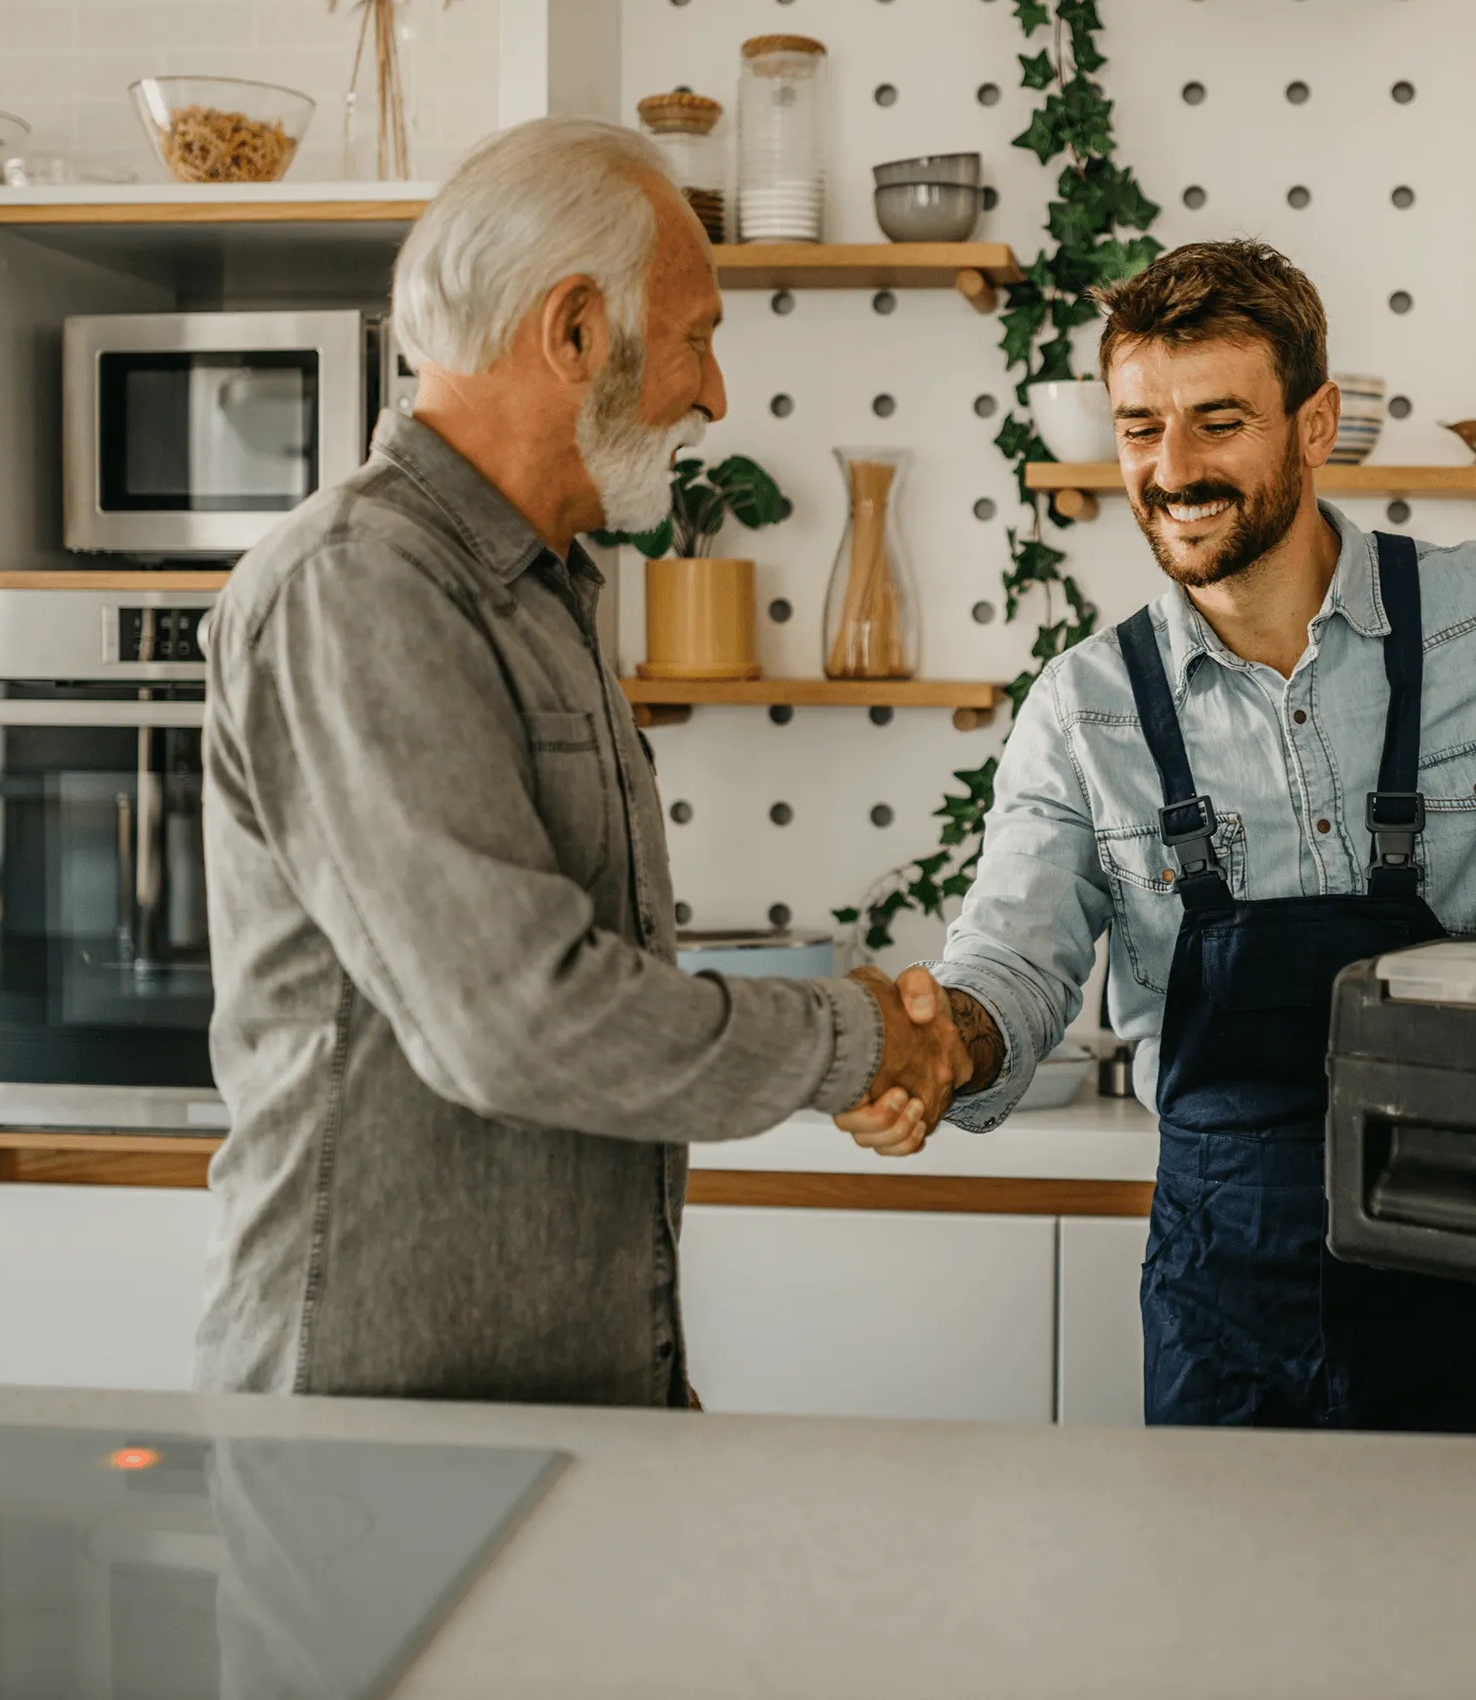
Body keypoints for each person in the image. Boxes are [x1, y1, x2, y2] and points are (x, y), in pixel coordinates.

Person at [839, 240, 1476, 1434]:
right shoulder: (1084, 710)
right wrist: (947, 1049)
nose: (1173, 469)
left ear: (1315, 424)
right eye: (1140, 427)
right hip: (1224, 1296)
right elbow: (1013, 964)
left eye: (1217, 421)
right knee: (1237, 1626)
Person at [195, 118, 965, 1407]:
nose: (715, 394)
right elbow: (518, 1017)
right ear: (573, 333)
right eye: (698, 336)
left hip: (576, 1394)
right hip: (382, 1451)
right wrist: (852, 1036)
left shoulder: (540, 591)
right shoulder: (361, 586)